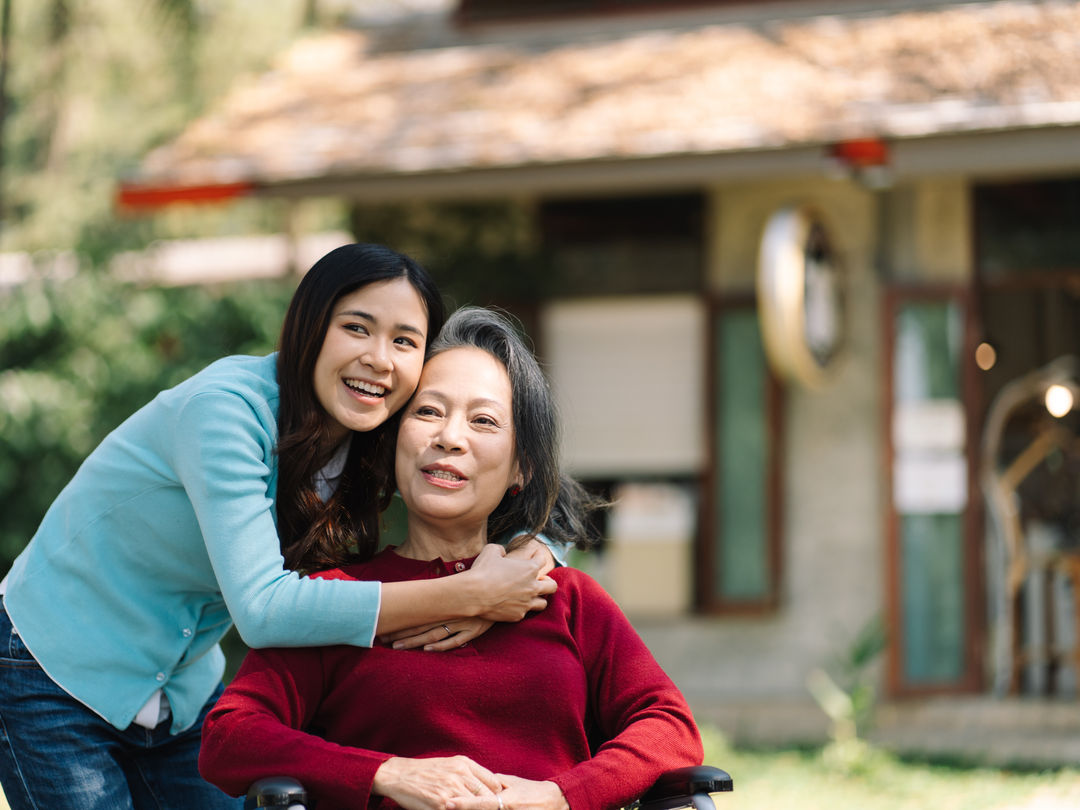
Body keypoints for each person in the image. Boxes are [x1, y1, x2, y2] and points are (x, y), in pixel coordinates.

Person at [0, 245, 557, 810]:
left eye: (405, 341)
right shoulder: (225, 411)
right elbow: (262, 610)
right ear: (309, 326)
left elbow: (472, 483)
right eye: (356, 328)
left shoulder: (374, 428)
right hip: (56, 671)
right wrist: (466, 595)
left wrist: (534, 550)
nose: (379, 359)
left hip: (179, 690)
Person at [198, 307, 704, 810]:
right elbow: (229, 737)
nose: (449, 437)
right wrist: (386, 773)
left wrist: (556, 796)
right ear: (392, 443)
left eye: (483, 421)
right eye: (428, 412)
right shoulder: (338, 599)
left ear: (521, 468)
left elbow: (669, 726)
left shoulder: (566, 598)